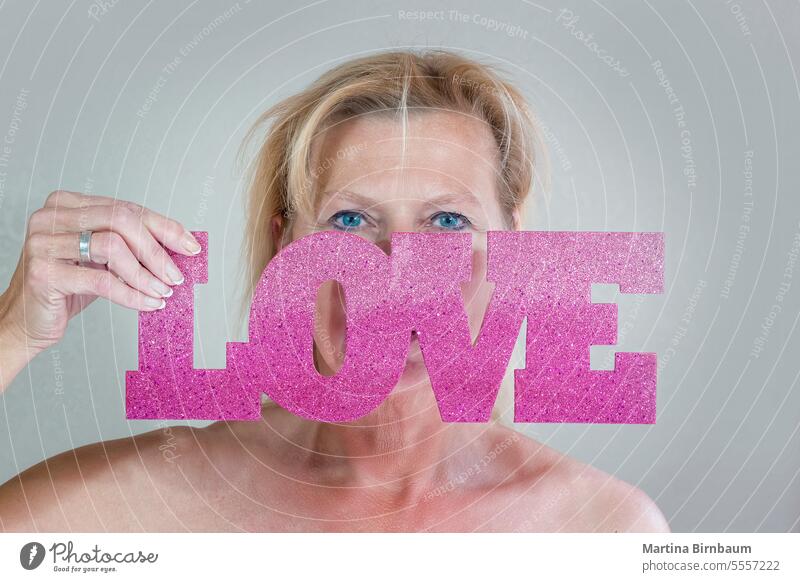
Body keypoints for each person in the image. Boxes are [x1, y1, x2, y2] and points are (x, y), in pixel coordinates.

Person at [0, 50, 669, 532]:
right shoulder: (156, 501)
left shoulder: (600, 529)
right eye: (351, 219)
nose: (396, 268)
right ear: (287, 246)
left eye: (446, 220)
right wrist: (13, 335)